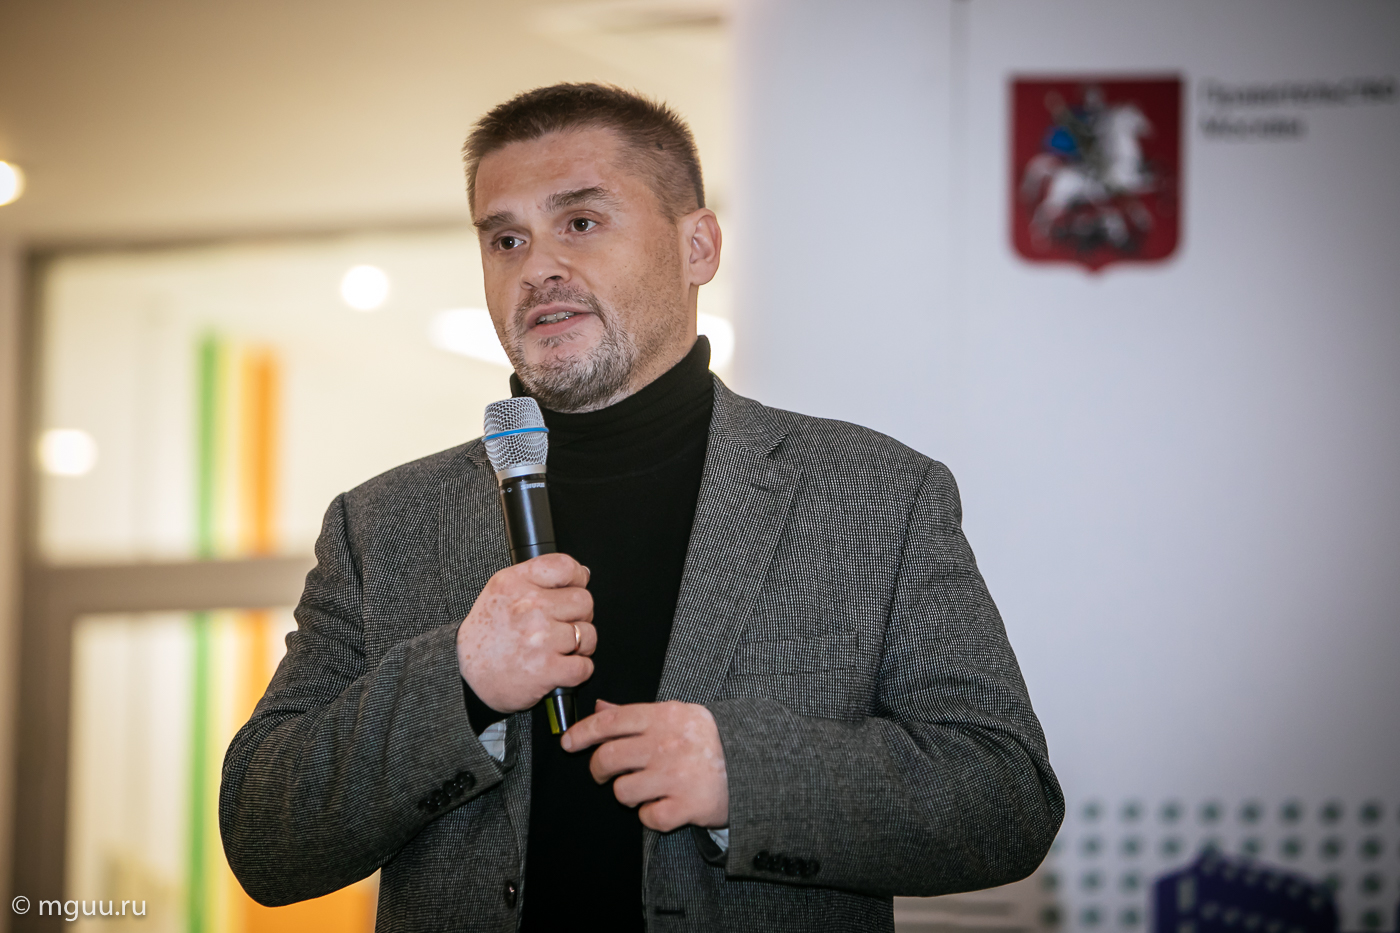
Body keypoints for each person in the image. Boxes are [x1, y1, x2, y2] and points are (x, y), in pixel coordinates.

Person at [220, 83, 1063, 933]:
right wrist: (460, 682)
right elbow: (264, 834)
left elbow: (1004, 797)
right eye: (506, 239)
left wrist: (744, 775)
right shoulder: (383, 526)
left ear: (698, 246)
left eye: (581, 222)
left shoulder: (872, 496)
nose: (537, 267)